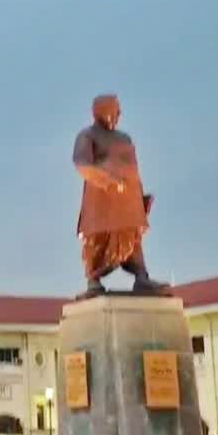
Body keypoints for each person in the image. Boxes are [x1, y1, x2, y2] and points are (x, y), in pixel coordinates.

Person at [72, 94, 169, 296]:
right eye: (115, 109)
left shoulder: (124, 138)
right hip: (101, 199)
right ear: (102, 111)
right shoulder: (87, 135)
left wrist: (140, 199)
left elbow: (133, 169)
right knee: (97, 238)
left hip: (128, 201)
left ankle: (141, 277)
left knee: (131, 236)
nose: (119, 114)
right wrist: (107, 180)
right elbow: (82, 163)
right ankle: (93, 279)